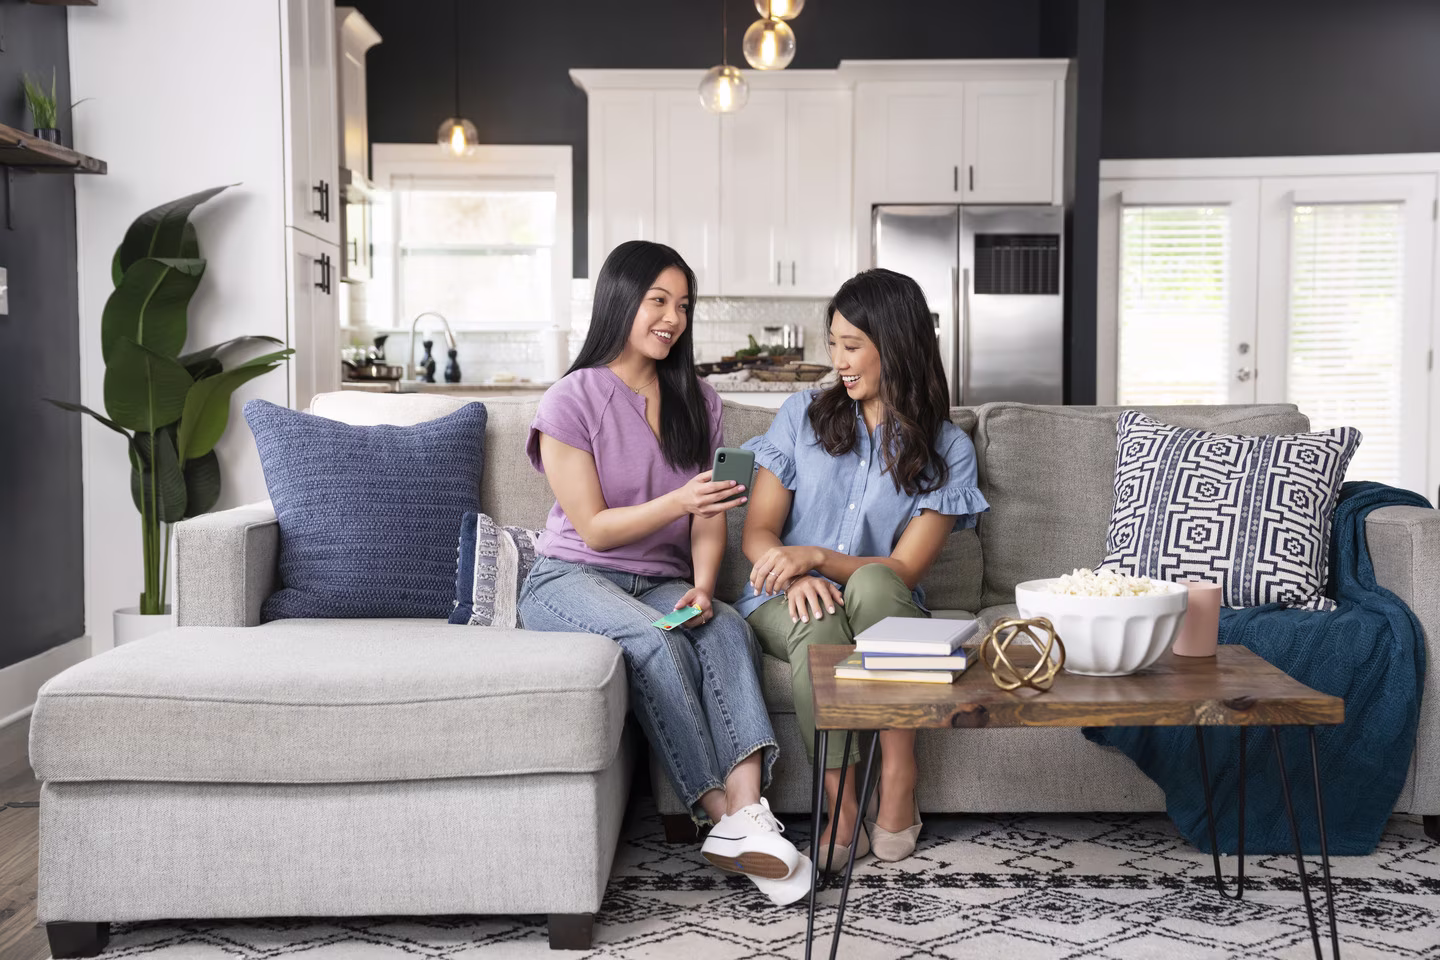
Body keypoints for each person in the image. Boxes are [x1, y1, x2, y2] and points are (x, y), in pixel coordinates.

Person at [518, 240, 810, 905]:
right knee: (655, 640)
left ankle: (749, 811)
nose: (671, 318)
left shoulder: (696, 399)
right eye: (657, 301)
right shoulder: (572, 399)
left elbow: (710, 515)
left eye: (682, 306)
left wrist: (705, 585)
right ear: (620, 300)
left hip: (660, 582)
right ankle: (723, 816)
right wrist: (676, 502)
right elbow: (593, 527)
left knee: (727, 630)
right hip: (570, 578)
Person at [737, 268, 989, 870]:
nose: (837, 360)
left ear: (894, 346)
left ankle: (898, 776)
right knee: (820, 626)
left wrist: (820, 557)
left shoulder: (947, 447)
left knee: (875, 581)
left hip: (880, 599)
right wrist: (799, 574)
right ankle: (843, 806)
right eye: (833, 344)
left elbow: (905, 567)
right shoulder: (802, 415)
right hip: (786, 597)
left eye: (851, 346)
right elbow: (759, 533)